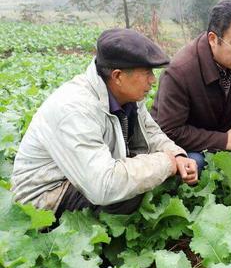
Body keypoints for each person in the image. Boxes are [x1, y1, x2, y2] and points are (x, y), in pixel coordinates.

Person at [11, 29, 197, 215]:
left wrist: (176, 156)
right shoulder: (74, 108)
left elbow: (151, 133)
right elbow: (104, 185)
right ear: (118, 76)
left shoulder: (129, 96)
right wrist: (165, 163)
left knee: (151, 177)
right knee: (128, 193)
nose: (153, 80)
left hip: (85, 175)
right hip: (46, 197)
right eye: (147, 72)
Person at [152, 0, 231, 172]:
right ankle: (220, 171)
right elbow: (169, 131)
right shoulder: (180, 71)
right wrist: (224, 140)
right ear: (212, 39)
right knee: (197, 163)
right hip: (187, 139)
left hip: (220, 124)